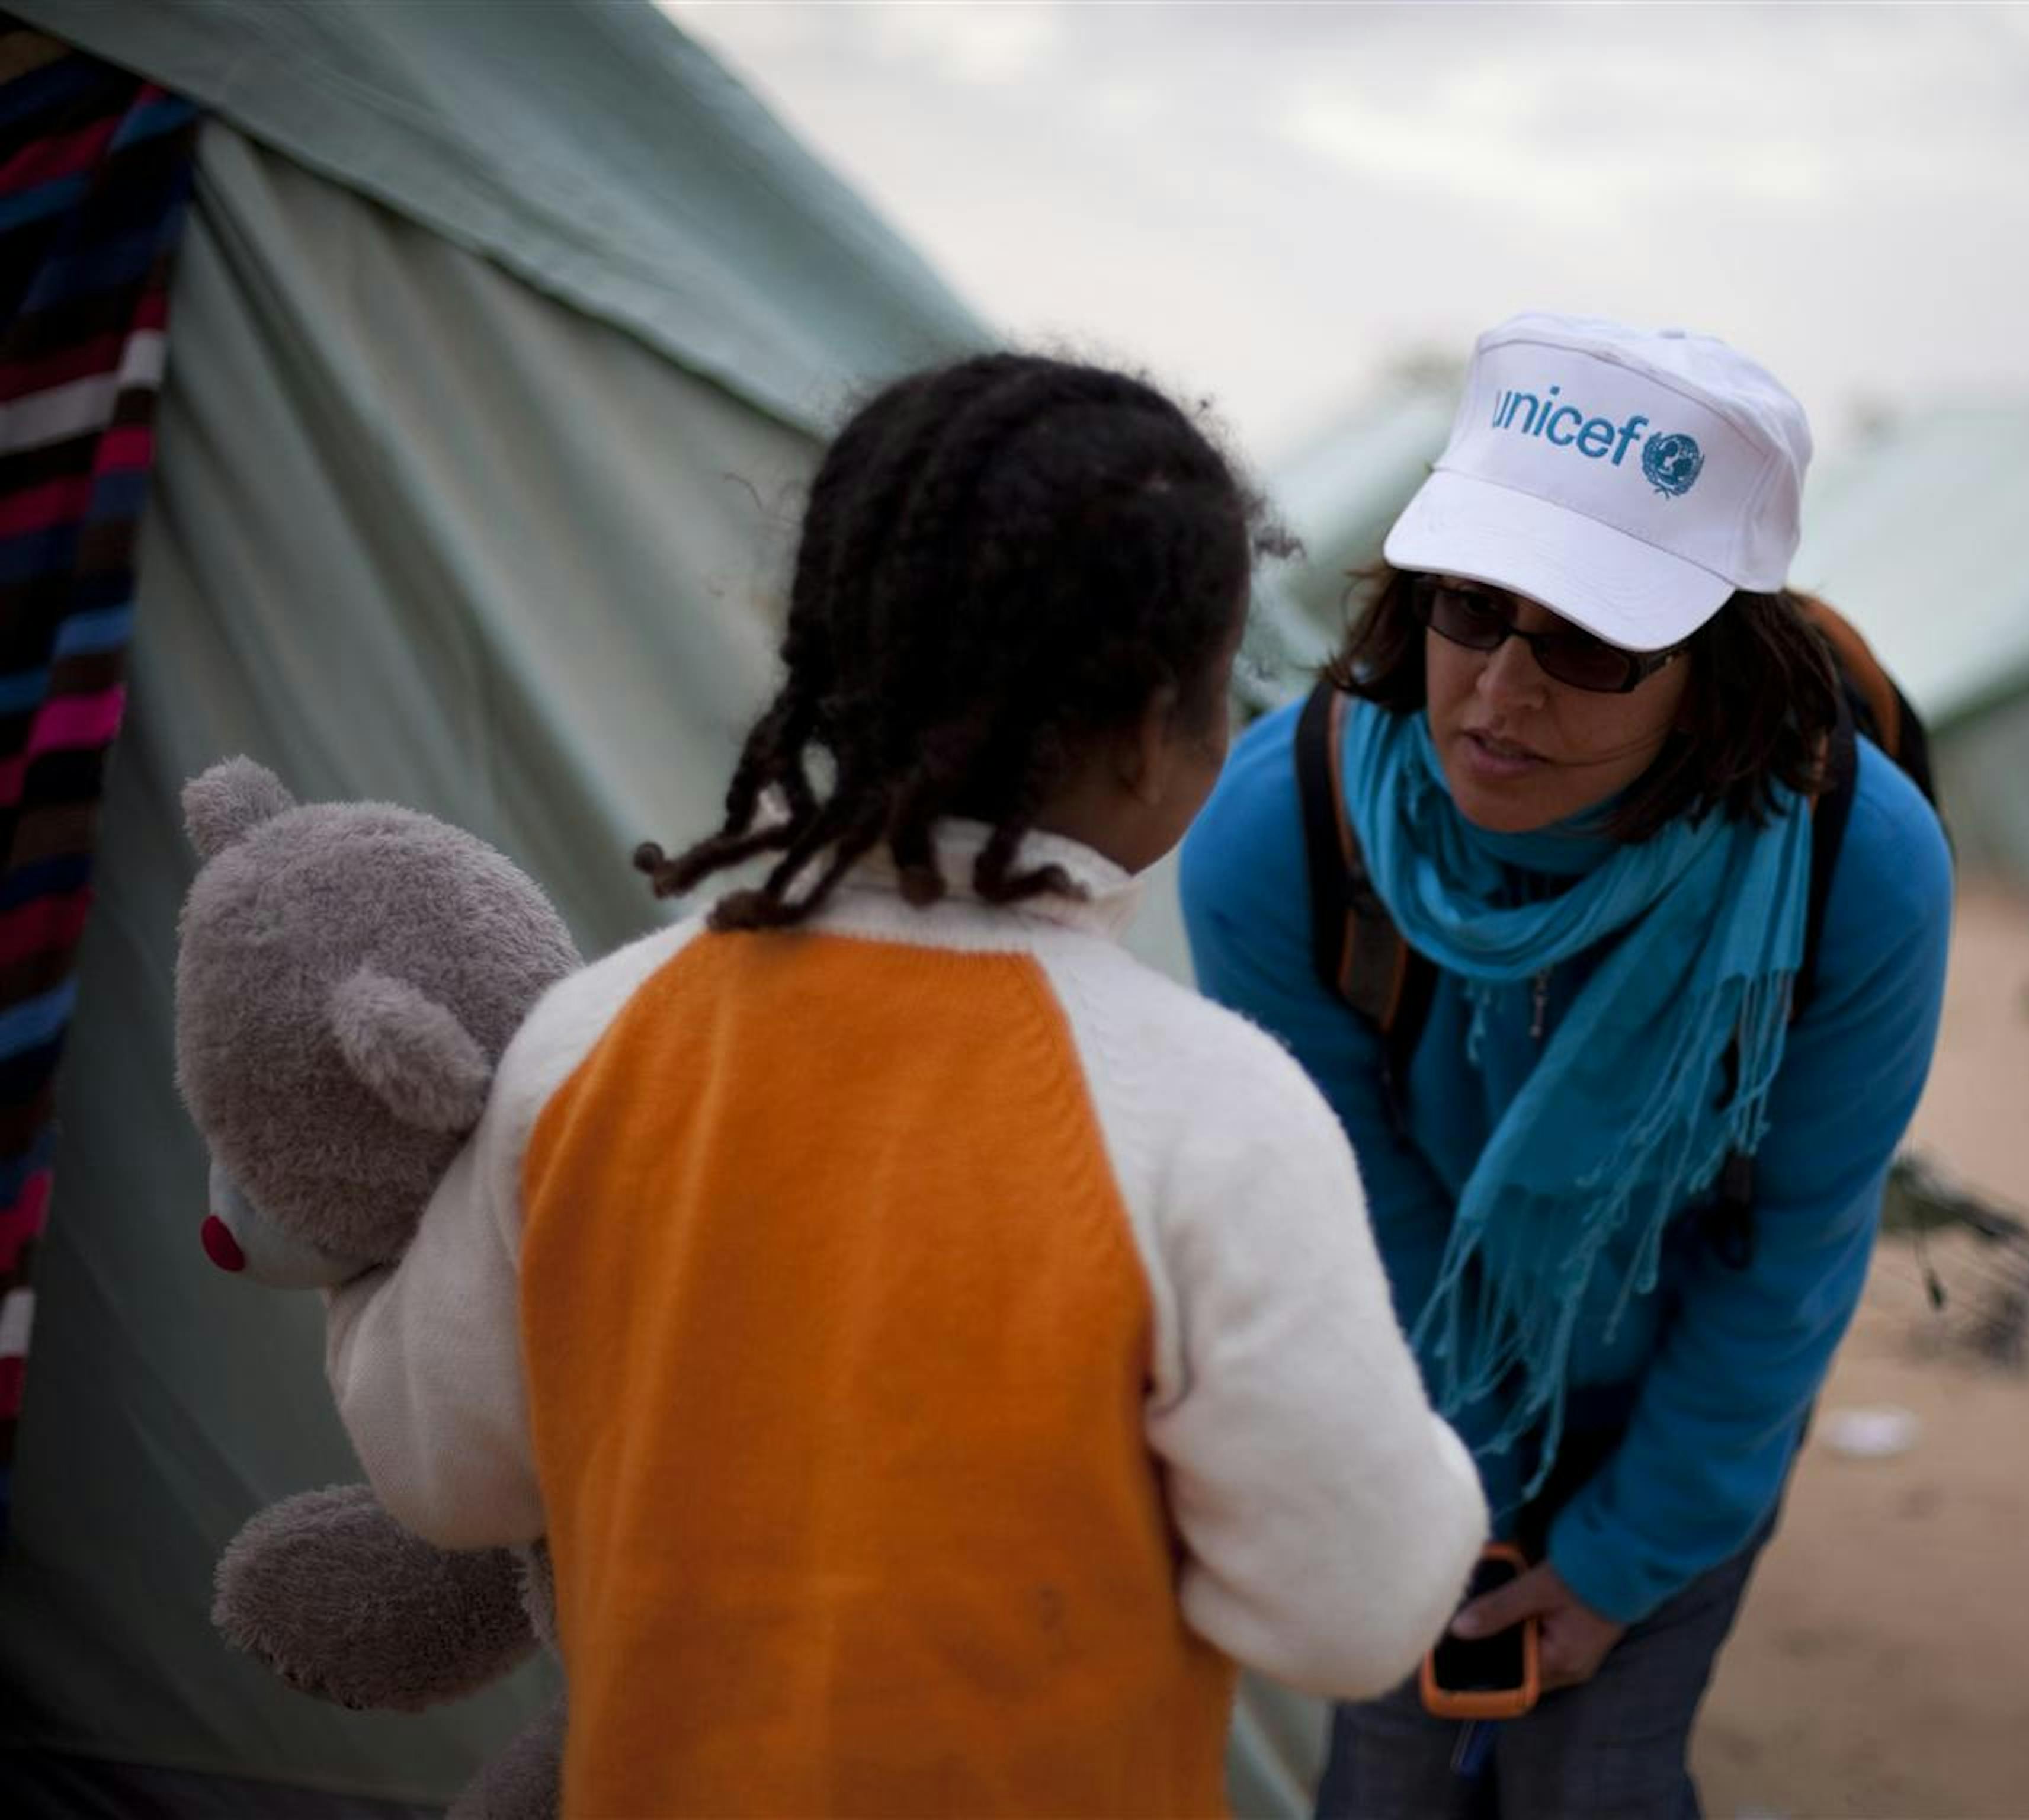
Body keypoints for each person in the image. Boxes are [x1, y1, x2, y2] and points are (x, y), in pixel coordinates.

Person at [321, 354, 1486, 1816]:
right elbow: (1352, 1613)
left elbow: (447, 1481)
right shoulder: (1213, 1114)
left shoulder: (591, 1041)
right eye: (1221, 688)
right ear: (1150, 731)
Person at [1181, 313, 1953, 1816]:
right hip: (1399, 1392)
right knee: (1390, 1774)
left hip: (1695, 1388)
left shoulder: (1859, 870)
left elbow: (1792, 1245)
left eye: (1593, 639)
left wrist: (1617, 1560)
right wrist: (1458, 1505)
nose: (1498, 693)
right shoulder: (1284, 834)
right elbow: (1354, 1209)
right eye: (1470, 606)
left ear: (1718, 662)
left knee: (1596, 1776)